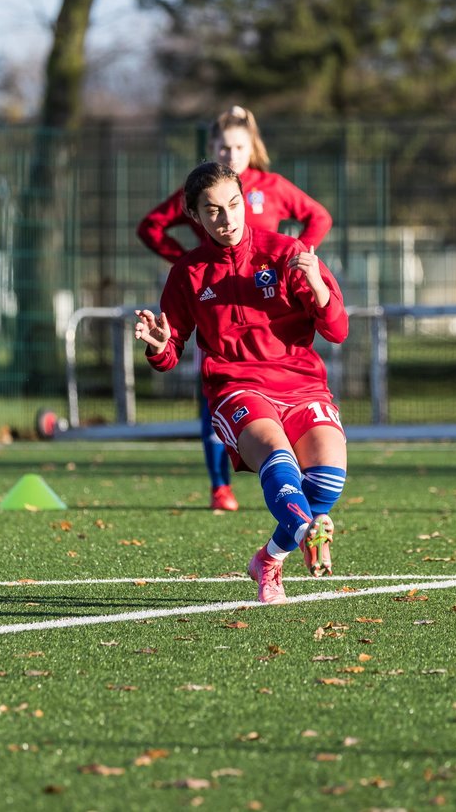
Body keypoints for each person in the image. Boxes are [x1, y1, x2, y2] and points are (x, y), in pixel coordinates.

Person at [135, 162, 348, 604]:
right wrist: (158, 344)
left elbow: (337, 330)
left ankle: (268, 559)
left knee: (327, 481)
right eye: (212, 211)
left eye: (233, 205)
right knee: (277, 456)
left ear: (245, 200)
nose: (227, 219)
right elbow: (169, 353)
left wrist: (319, 289)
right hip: (237, 388)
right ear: (193, 216)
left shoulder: (287, 253)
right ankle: (303, 533)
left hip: (302, 384)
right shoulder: (188, 273)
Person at [136, 105, 333, 512]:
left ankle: (295, 508)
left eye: (238, 147)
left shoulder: (273, 188)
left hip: (273, 320)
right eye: (223, 148)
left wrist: (305, 264)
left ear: (252, 148)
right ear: (212, 150)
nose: (230, 155)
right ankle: (220, 486)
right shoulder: (206, 189)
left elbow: (318, 217)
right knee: (220, 401)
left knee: (310, 460)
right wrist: (181, 260)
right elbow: (151, 226)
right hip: (220, 320)